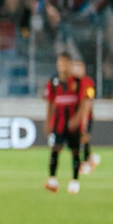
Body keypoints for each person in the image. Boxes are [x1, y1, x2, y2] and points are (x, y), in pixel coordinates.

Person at [44, 52, 84, 194]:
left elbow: (83, 103)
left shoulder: (78, 82)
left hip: (73, 125)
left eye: (65, 63)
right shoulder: (53, 82)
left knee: (75, 152)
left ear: (70, 64)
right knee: (55, 149)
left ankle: (74, 181)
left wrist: (78, 120)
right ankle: (52, 180)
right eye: (60, 63)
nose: (63, 66)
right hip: (58, 123)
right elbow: (49, 103)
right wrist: (47, 121)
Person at [73, 56, 99, 176]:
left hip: (86, 117)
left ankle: (87, 161)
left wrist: (84, 122)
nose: (77, 70)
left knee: (83, 138)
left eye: (79, 67)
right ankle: (89, 159)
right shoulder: (70, 82)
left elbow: (88, 102)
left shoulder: (88, 82)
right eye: (75, 67)